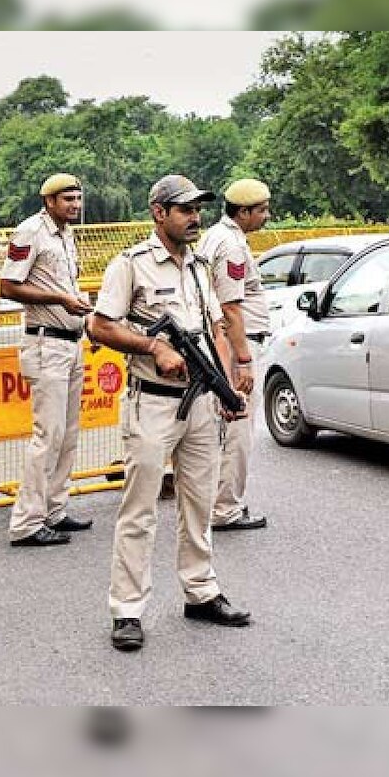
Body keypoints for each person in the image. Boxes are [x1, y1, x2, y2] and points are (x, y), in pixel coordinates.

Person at [87, 175, 252, 652]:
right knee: (139, 511)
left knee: (198, 502)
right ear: (159, 213)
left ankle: (200, 591)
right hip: (153, 401)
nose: (194, 217)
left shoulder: (200, 266)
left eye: (198, 209)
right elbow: (100, 326)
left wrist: (225, 385)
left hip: (200, 401)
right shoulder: (131, 266)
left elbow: (214, 329)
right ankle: (128, 609)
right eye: (184, 210)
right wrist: (152, 346)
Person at [0, 174, 93, 548]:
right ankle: (26, 522)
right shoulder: (29, 232)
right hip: (45, 344)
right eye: (67, 199)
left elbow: (69, 285)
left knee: (67, 436)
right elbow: (8, 287)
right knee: (47, 435)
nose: (75, 204)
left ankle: (54, 509)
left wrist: (84, 317)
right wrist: (61, 301)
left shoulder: (66, 234)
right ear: (49, 201)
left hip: (71, 342)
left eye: (78, 198)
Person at [196, 178, 273, 531]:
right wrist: (243, 360)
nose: (267, 217)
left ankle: (214, 502)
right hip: (236, 344)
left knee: (221, 426)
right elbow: (231, 308)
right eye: (261, 210)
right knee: (239, 426)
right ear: (242, 211)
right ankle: (226, 507)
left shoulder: (216, 236)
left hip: (221, 344)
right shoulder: (230, 246)